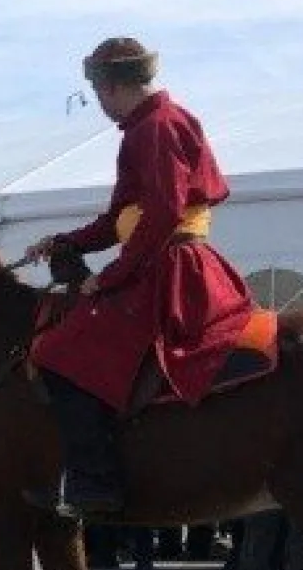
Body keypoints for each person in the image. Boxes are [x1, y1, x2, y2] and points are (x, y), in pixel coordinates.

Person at [25, 38, 253, 518]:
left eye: (99, 92)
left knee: (56, 352)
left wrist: (107, 278)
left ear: (110, 86)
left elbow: (165, 212)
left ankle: (94, 483)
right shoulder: (147, 127)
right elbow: (119, 219)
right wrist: (68, 242)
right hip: (161, 260)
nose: (100, 104)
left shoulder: (154, 127)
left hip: (169, 269)